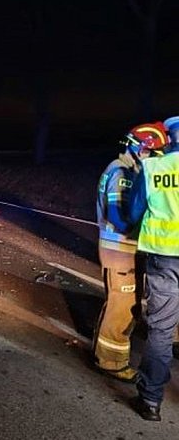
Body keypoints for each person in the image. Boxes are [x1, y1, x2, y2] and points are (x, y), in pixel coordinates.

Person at [94, 122, 169, 383]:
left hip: (127, 250)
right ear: (138, 148)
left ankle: (106, 354)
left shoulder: (129, 169)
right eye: (152, 153)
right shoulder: (122, 172)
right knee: (122, 305)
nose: (153, 158)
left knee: (127, 303)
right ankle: (111, 361)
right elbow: (119, 217)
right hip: (119, 249)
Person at [128, 115, 179, 421]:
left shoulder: (153, 168)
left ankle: (150, 401)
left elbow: (133, 211)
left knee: (161, 329)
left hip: (164, 257)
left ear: (169, 138)